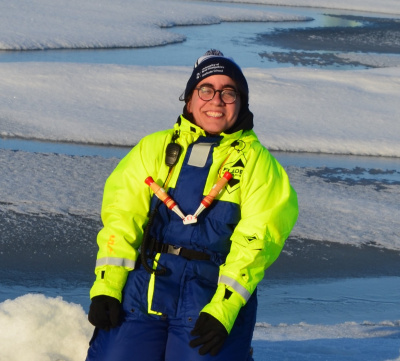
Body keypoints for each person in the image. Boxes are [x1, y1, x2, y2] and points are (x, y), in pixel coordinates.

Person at [85, 49, 298, 361]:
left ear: (241, 102)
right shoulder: (153, 148)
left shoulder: (260, 167)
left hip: (208, 294)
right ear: (189, 98)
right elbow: (121, 220)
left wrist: (222, 310)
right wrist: (107, 287)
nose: (216, 101)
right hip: (145, 285)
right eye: (206, 90)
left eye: (229, 92)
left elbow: (255, 245)